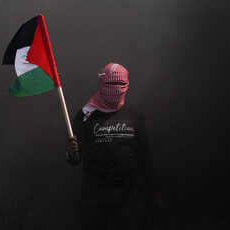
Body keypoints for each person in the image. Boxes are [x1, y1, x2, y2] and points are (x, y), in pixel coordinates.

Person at [65, 63, 163, 230]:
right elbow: (75, 159)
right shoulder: (86, 114)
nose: (116, 88)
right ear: (101, 83)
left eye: (121, 84)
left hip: (127, 191)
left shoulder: (135, 114)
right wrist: (71, 153)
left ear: (127, 84)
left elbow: (143, 154)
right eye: (111, 84)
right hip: (95, 192)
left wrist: (154, 188)